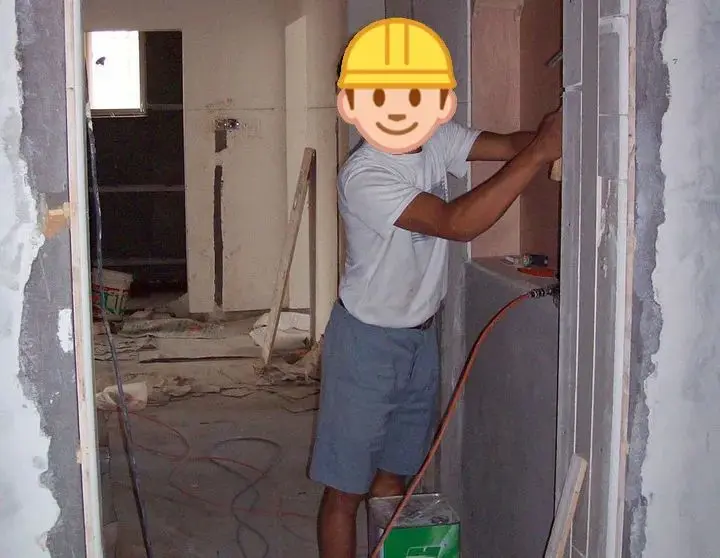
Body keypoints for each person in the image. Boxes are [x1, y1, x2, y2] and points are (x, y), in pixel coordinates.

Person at [309, 18, 562, 558]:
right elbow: (455, 223)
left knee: (396, 478)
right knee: (346, 489)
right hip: (367, 342)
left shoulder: (434, 139)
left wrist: (556, 133)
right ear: (352, 102)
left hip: (419, 338)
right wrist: (539, 154)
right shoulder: (365, 174)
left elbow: (507, 145)